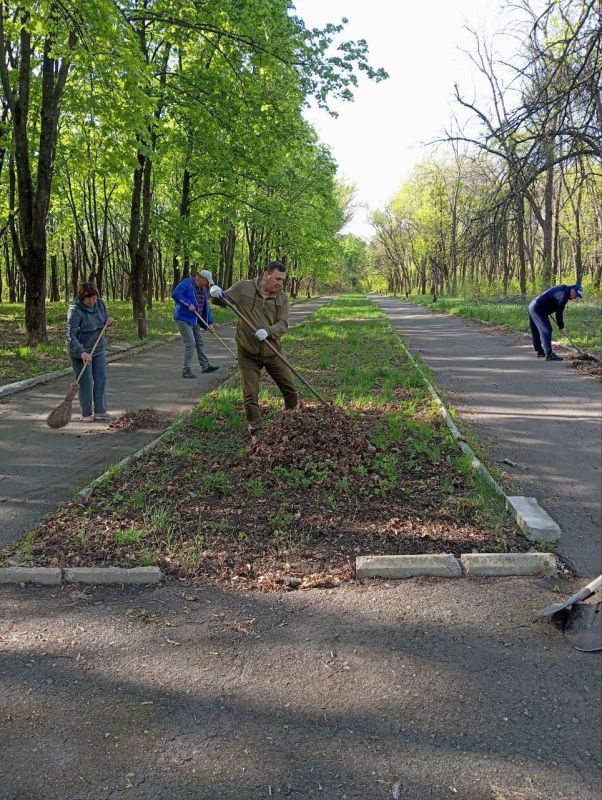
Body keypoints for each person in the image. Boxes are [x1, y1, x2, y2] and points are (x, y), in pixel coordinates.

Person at [210, 261, 298, 434]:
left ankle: (292, 422)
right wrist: (215, 292)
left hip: (272, 352)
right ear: (266, 274)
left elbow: (283, 324)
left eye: (282, 280)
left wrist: (268, 331)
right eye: (277, 279)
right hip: (247, 352)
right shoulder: (244, 287)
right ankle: (255, 430)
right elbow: (223, 301)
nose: (280, 283)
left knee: (290, 389)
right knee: (250, 395)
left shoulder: (282, 298)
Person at [66, 282, 114, 422]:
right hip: (80, 350)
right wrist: (82, 352)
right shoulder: (75, 311)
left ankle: (100, 410)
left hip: (97, 347)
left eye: (94, 298)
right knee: (86, 381)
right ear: (82, 297)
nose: (93, 301)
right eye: (89, 299)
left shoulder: (99, 304)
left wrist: (108, 321)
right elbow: (70, 335)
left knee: (100, 377)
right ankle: (86, 413)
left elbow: (104, 319)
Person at [172, 269, 220, 378]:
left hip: (195, 319)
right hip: (183, 318)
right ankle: (186, 370)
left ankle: (205, 366)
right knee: (190, 343)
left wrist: (209, 323)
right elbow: (175, 295)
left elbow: (206, 308)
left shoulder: (204, 290)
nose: (207, 284)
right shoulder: (186, 284)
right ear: (200, 278)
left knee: (200, 342)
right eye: (206, 282)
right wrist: (187, 304)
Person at [528, 283, 583, 361]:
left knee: (535, 330)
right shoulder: (564, 296)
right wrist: (561, 326)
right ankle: (549, 354)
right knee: (546, 330)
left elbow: (551, 297)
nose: (575, 298)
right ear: (572, 291)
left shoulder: (563, 289)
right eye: (576, 295)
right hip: (538, 309)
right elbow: (559, 313)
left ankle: (540, 351)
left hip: (533, 305)